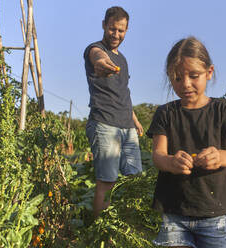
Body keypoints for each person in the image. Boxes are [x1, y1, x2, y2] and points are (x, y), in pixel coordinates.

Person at [146, 36, 226, 248]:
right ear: (169, 77)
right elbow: (158, 155)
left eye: (194, 76)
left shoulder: (223, 110)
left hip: (213, 214)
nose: (186, 84)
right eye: (177, 78)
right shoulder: (165, 113)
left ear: (209, 73)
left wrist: (220, 157)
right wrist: (171, 162)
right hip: (173, 213)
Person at [84, 6, 143, 217]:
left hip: (128, 127)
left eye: (121, 30)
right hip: (104, 124)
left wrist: (135, 119)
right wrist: (100, 62)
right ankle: (102, 232)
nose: (116, 34)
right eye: (112, 29)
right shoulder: (94, 48)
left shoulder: (123, 60)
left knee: (134, 180)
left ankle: (126, 227)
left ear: (126, 30)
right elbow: (97, 56)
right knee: (107, 182)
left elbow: (124, 92)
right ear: (104, 25)